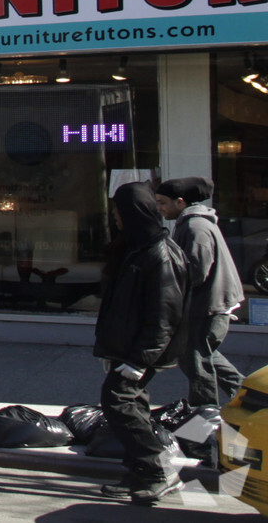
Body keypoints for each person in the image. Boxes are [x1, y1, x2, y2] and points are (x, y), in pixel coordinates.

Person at [94, 180, 188, 506]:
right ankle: (138, 472)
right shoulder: (135, 248)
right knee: (134, 406)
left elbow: (164, 317)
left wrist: (138, 361)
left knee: (117, 401)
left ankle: (158, 471)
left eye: (119, 211)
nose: (115, 217)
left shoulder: (161, 254)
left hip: (142, 352)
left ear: (133, 212)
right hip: (128, 349)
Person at [155, 176, 245, 416]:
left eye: (163, 202)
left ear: (180, 202)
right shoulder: (194, 223)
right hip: (211, 305)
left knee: (195, 362)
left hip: (208, 307)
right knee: (203, 355)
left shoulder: (195, 227)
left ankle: (205, 416)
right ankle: (249, 396)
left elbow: (196, 271)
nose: (160, 208)